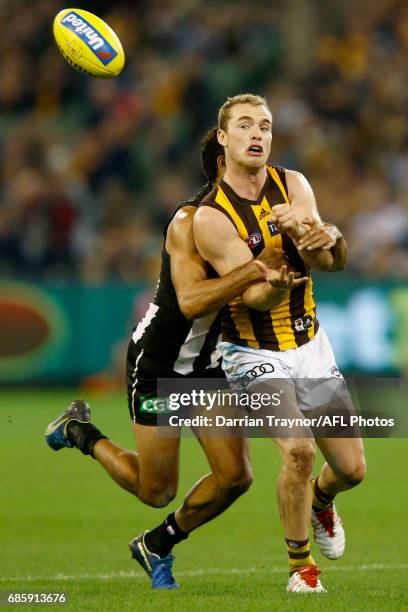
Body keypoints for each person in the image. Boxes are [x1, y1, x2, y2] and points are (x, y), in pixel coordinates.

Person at [45, 128, 294, 589]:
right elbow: (191, 302)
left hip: (206, 365)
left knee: (235, 477)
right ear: (221, 162)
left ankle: (156, 544)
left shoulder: (251, 219)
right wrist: (253, 270)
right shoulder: (190, 220)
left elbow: (261, 287)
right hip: (159, 365)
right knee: (156, 490)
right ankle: (79, 432)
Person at [193, 94, 366, 593]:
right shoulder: (210, 217)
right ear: (223, 138)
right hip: (251, 353)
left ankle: (320, 503)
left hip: (311, 346)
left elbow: (335, 261)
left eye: (265, 126)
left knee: (352, 470)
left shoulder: (294, 185)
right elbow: (254, 298)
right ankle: (301, 569)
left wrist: (324, 235)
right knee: (298, 451)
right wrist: (281, 262)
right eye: (245, 126)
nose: (257, 135)